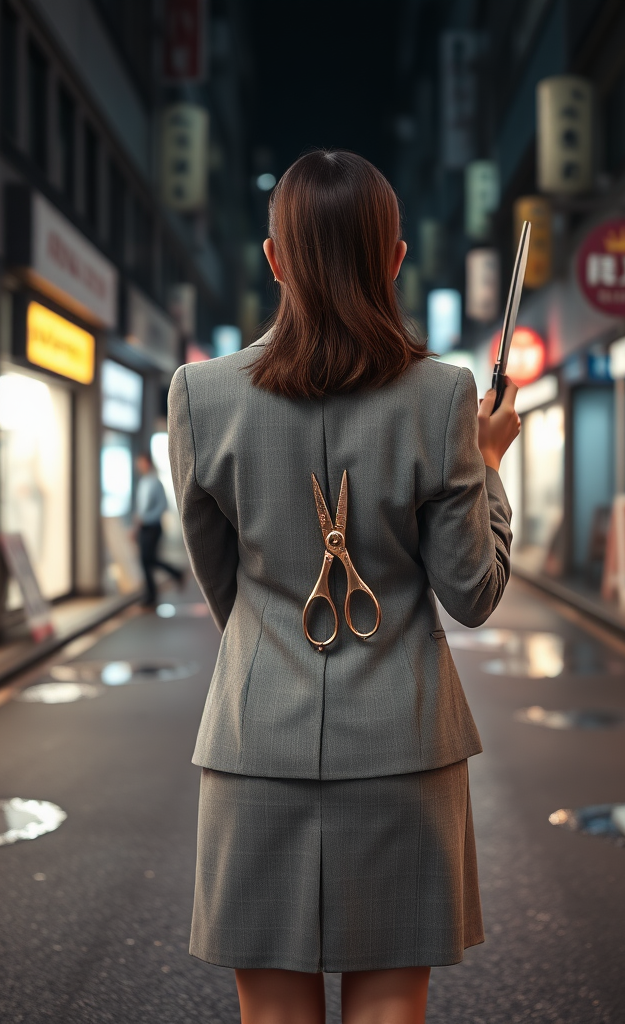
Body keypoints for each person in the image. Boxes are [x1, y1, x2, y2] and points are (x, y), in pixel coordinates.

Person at [168, 150, 520, 1024]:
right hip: (405, 747)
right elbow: (473, 593)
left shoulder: (201, 396)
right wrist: (488, 462)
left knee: (275, 1014)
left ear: (274, 258)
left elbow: (228, 592)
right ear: (394, 259)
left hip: (255, 750)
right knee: (391, 1007)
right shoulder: (443, 398)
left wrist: (273, 644)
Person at [133, 451, 183, 605]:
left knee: (147, 559)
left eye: (140, 462)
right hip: (143, 527)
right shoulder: (143, 482)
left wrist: (145, 519)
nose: (138, 466)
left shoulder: (155, 482)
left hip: (152, 527)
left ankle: (152, 594)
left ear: (147, 462)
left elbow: (162, 506)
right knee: (146, 560)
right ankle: (171, 577)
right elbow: (141, 508)